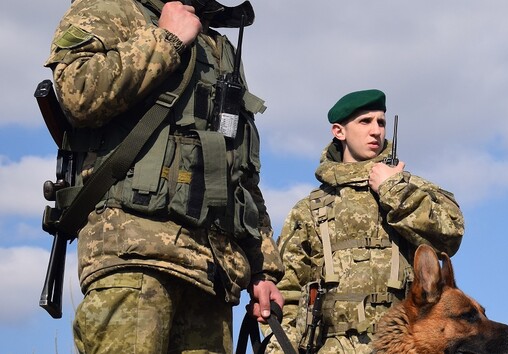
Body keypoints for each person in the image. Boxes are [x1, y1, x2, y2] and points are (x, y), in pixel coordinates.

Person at [44, 0, 284, 352]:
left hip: (212, 274)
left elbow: (240, 171)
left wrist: (264, 269)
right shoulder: (113, 7)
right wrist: (166, 40)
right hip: (134, 253)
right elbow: (77, 94)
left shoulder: (219, 47)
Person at [270, 89, 465, 353]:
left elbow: (450, 235)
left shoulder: (407, 187)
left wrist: (392, 189)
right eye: (365, 121)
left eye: (381, 122)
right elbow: (287, 289)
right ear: (339, 131)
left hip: (404, 345)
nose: (376, 131)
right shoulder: (309, 209)